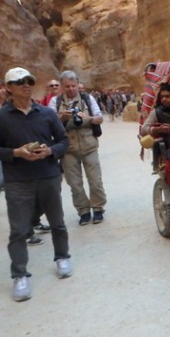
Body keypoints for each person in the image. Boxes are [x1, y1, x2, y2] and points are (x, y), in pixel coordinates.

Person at [0, 67, 72, 301]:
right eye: (19, 81)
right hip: (18, 181)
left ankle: (62, 257)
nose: (26, 85)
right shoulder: (2, 116)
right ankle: (20, 275)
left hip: (48, 175)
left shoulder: (47, 113)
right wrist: (16, 153)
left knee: (57, 223)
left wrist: (50, 151)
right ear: (8, 87)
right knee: (19, 230)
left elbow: (63, 141)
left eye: (29, 81)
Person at [49, 70, 107, 225]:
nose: (71, 89)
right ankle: (83, 211)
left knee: (95, 181)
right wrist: (62, 117)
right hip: (67, 149)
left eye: (73, 85)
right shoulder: (55, 102)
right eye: (67, 86)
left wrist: (87, 118)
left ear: (77, 84)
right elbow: (49, 124)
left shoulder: (87, 99)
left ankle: (98, 208)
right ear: (62, 86)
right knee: (74, 184)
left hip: (89, 146)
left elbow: (99, 118)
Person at [0, 80, 46, 244]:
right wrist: (15, 152)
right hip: (11, 163)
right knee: (20, 198)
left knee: (41, 195)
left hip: (30, 159)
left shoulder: (21, 107)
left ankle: (34, 221)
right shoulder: (6, 112)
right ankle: (25, 232)